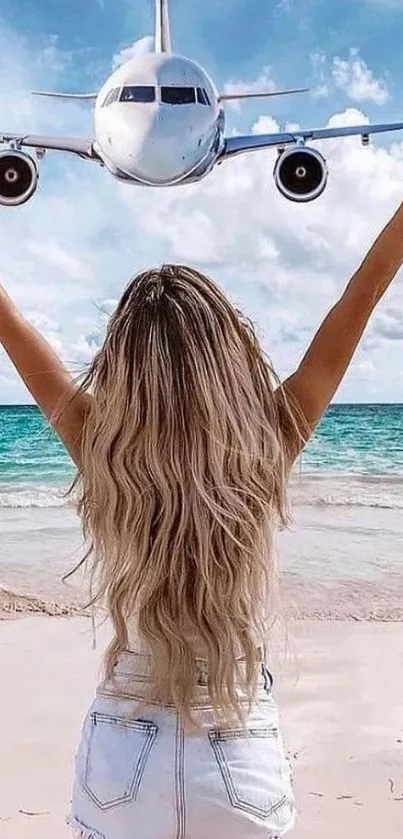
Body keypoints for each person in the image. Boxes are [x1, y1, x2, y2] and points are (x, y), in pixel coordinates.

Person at [1, 201, 403, 839]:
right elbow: (365, 290)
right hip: (237, 741)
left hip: (121, 755)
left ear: (124, 367)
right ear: (228, 359)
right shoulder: (271, 435)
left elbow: (9, 320)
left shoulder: (97, 443)